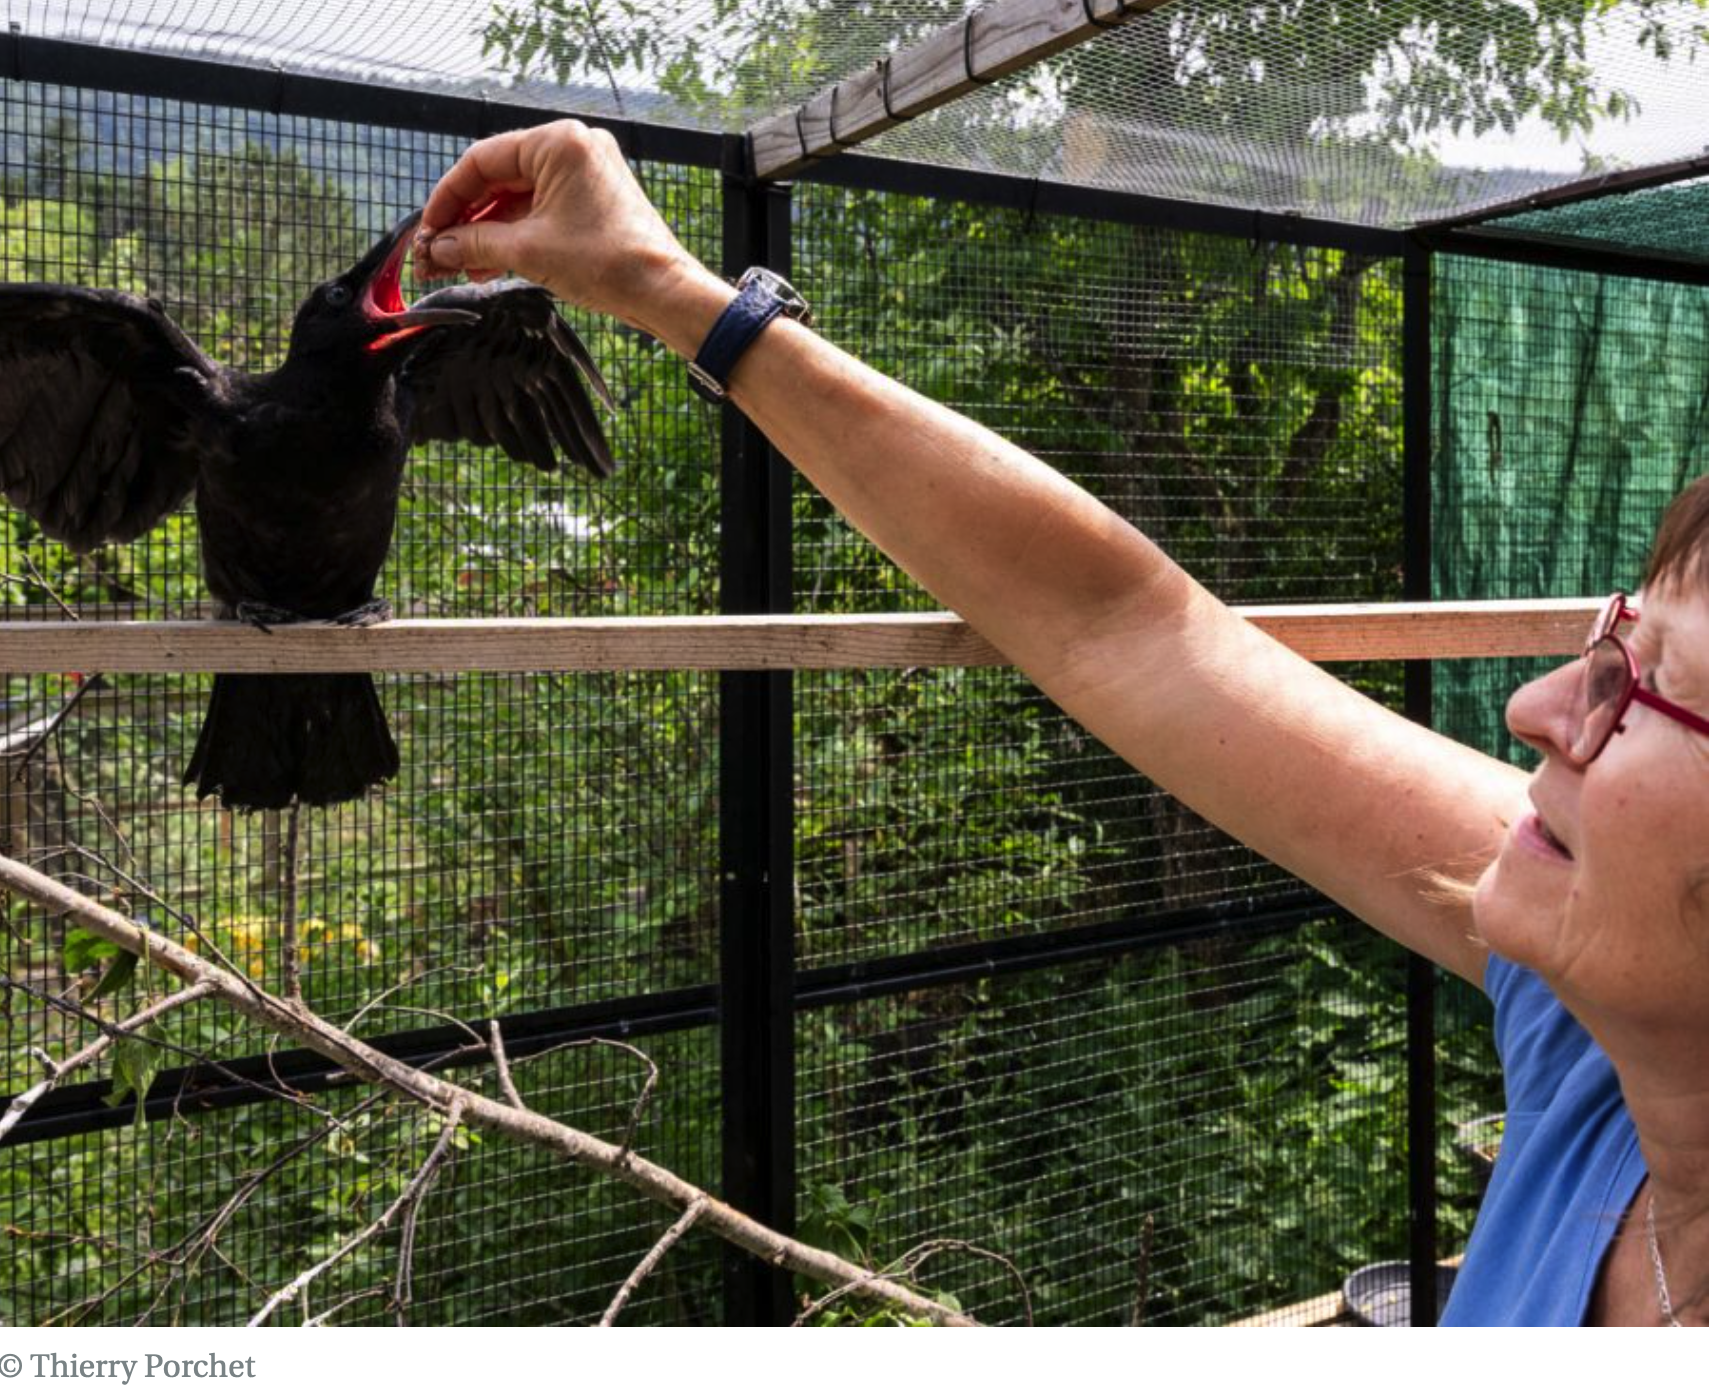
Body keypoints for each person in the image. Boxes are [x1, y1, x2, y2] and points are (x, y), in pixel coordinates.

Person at [415, 121, 1708, 1326]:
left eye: (1638, 691)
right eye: (1602, 639)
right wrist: (671, 289)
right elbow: (1125, 626)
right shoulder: (1596, 1038)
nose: (1533, 706)